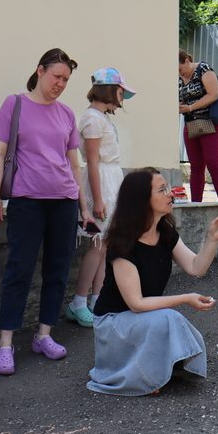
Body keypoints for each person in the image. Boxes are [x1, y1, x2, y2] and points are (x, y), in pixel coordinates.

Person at [0, 48, 98, 376]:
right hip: (27, 201)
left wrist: (84, 207)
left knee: (58, 269)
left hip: (63, 201)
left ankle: (44, 335)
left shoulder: (65, 114)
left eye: (66, 79)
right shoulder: (15, 104)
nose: (61, 83)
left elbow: (73, 165)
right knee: (19, 270)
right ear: (40, 71)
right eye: (56, 76)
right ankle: (5, 343)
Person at [87, 169, 218, 396]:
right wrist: (185, 298)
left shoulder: (165, 232)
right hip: (113, 323)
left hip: (140, 319)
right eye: (162, 189)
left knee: (167, 320)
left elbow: (196, 267)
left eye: (168, 188)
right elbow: (136, 303)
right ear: (142, 200)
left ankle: (159, 370)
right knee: (167, 318)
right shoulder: (123, 243)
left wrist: (212, 238)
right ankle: (143, 375)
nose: (170, 194)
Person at [65, 67, 136, 328]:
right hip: (101, 184)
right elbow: (92, 163)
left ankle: (98, 299)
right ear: (109, 90)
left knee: (106, 246)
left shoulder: (102, 118)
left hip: (110, 181)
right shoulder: (92, 119)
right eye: (120, 91)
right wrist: (99, 199)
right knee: (97, 246)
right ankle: (79, 302)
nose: (122, 97)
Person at [178, 50, 218, 203]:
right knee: (196, 167)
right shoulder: (179, 79)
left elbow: (213, 94)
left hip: (210, 123)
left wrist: (190, 107)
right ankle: (195, 205)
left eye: (180, 69)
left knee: (214, 164)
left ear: (187, 60)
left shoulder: (203, 69)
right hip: (190, 124)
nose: (179, 73)